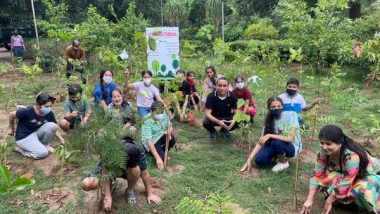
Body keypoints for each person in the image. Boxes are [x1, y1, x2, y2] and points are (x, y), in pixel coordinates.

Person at [301, 125, 380, 214]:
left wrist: (329, 201)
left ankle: (365, 207)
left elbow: (345, 183)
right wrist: (309, 200)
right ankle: (348, 202)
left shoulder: (351, 156)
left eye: (328, 143)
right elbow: (317, 175)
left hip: (370, 176)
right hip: (350, 177)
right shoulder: (324, 152)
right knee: (329, 177)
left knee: (363, 189)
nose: (324, 147)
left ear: (339, 143)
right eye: (322, 143)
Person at [81, 141, 161, 211]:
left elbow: (145, 174)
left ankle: (129, 191)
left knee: (136, 170)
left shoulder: (139, 152)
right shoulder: (111, 151)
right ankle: (110, 183)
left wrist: (150, 194)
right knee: (86, 184)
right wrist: (107, 196)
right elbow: (105, 172)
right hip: (109, 170)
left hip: (127, 171)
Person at [239, 96, 300, 172]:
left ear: (282, 106)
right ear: (269, 109)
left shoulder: (291, 115)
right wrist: (248, 160)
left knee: (276, 142)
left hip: (291, 146)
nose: (276, 108)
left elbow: (289, 138)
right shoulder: (269, 120)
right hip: (275, 145)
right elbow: (260, 142)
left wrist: (270, 135)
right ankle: (277, 156)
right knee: (259, 160)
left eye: (279, 106)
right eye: (273, 107)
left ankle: (283, 162)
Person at [7, 93, 65, 159]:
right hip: (24, 137)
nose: (49, 108)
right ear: (38, 105)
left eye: (50, 106)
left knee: (53, 125)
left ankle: (44, 144)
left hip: (36, 133)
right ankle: (21, 150)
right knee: (43, 153)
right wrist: (11, 129)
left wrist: (62, 139)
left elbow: (54, 129)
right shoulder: (27, 111)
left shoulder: (49, 113)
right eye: (46, 107)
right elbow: (11, 115)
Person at [141, 101, 176, 170]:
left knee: (172, 140)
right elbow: (149, 140)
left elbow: (169, 126)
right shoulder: (147, 120)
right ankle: (153, 154)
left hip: (161, 134)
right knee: (161, 159)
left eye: (161, 112)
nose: (160, 114)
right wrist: (158, 158)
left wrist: (169, 131)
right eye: (157, 112)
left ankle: (161, 152)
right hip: (152, 141)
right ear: (152, 111)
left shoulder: (164, 115)